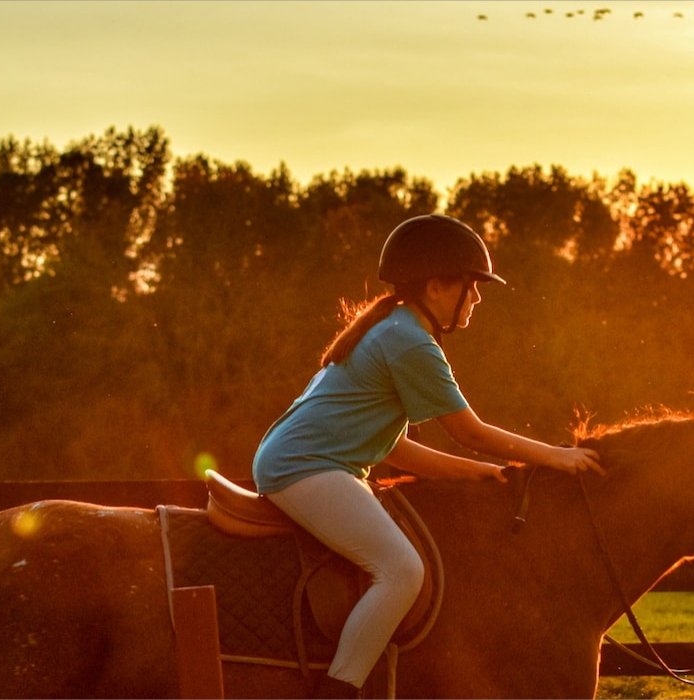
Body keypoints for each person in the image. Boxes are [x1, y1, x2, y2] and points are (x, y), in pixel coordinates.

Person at [252, 214, 602, 699]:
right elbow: (469, 431)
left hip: (308, 463)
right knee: (402, 570)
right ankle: (339, 691)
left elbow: (397, 449)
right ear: (437, 286)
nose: (477, 299)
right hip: (304, 468)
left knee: (398, 564)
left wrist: (489, 474)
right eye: (472, 287)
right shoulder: (409, 340)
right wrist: (553, 457)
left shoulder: (394, 328)